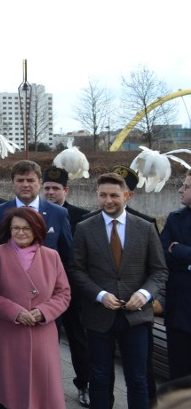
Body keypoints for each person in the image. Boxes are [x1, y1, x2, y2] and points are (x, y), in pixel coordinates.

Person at [69, 172, 168, 409]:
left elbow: (159, 271)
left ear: (128, 195)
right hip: (98, 317)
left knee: (137, 378)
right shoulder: (84, 228)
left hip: (136, 318)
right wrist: (100, 295)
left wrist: (144, 294)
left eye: (114, 195)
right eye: (102, 195)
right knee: (100, 378)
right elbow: (76, 270)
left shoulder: (145, 228)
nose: (108, 200)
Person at [0, 207, 71, 409]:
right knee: (9, 392)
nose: (20, 233)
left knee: (41, 395)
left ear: (37, 229)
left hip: (42, 335)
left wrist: (44, 312)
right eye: (16, 228)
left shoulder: (52, 256)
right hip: (6, 334)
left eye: (26, 228)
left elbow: (63, 293)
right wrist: (15, 312)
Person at [42, 165, 92, 406]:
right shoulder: (37, 213)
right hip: (45, 291)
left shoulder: (81, 216)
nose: (50, 192)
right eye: (47, 188)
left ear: (66, 190)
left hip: (71, 290)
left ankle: (84, 383)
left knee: (77, 338)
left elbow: (80, 256)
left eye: (55, 188)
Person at [0, 160, 73, 265]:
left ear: (40, 182)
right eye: (20, 180)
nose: (25, 185)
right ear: (12, 182)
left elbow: (67, 255)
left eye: (30, 180)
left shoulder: (58, 213)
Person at [159, 170, 191, 380]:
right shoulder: (175, 218)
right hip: (179, 311)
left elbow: (173, 253)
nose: (180, 189)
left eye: (186, 187)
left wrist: (179, 251)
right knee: (179, 373)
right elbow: (162, 255)